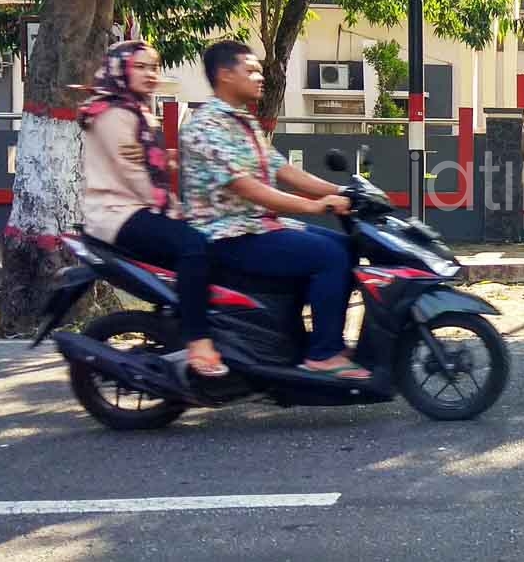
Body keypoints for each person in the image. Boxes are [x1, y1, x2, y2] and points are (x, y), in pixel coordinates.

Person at [178, 40, 370, 380]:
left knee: (346, 247)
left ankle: (300, 339)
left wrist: (344, 191)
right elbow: (248, 188)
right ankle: (324, 355)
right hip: (229, 235)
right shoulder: (206, 127)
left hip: (259, 226)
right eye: (250, 70)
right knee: (329, 256)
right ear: (224, 75)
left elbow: (284, 170)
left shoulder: (244, 122)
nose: (259, 77)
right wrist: (314, 206)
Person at [80, 40, 227, 378]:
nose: (150, 74)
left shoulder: (134, 109)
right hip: (119, 214)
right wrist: (171, 208)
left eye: (154, 67)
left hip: (133, 207)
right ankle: (197, 339)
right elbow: (133, 172)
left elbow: (150, 163)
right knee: (194, 246)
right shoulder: (115, 113)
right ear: (120, 69)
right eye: (140, 66)